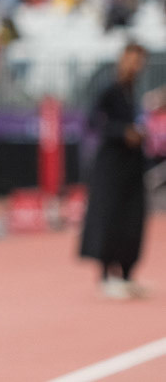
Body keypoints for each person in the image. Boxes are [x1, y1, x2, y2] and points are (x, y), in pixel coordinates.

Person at [80, 43, 153, 299]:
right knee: (109, 217)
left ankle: (126, 274)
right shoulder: (109, 89)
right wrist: (122, 132)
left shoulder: (132, 92)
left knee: (132, 219)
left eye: (140, 61)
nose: (136, 65)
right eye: (133, 60)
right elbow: (93, 120)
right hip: (111, 166)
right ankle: (105, 275)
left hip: (132, 166)